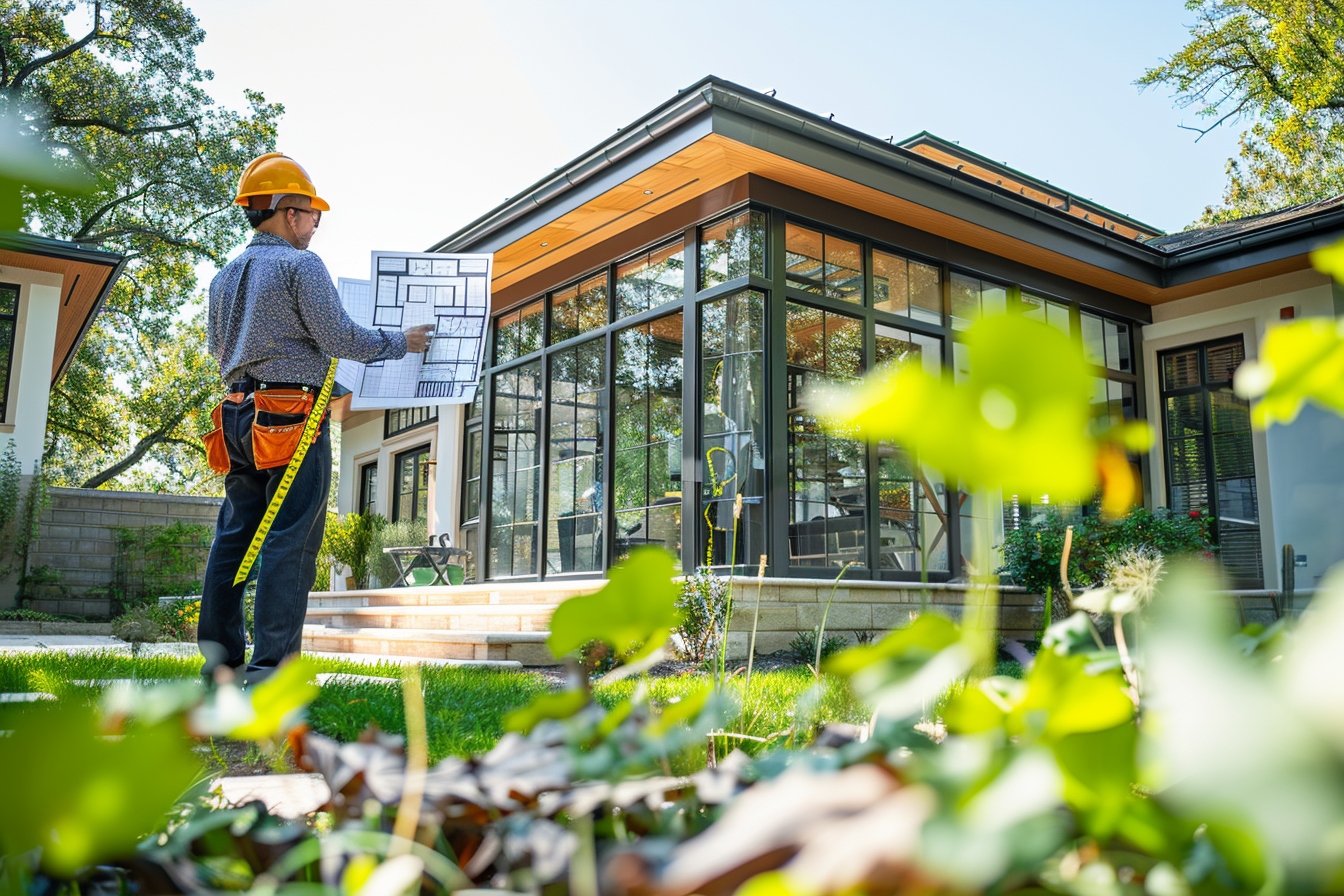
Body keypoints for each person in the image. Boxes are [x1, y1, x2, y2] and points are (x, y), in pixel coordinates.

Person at [199, 152, 434, 686]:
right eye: (312, 214)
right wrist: (404, 341)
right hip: (290, 420)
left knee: (233, 537)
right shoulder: (300, 265)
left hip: (236, 417)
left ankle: (220, 666)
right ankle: (271, 672)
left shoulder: (224, 277)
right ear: (286, 211)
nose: (315, 225)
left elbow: (221, 351)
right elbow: (341, 338)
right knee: (290, 539)